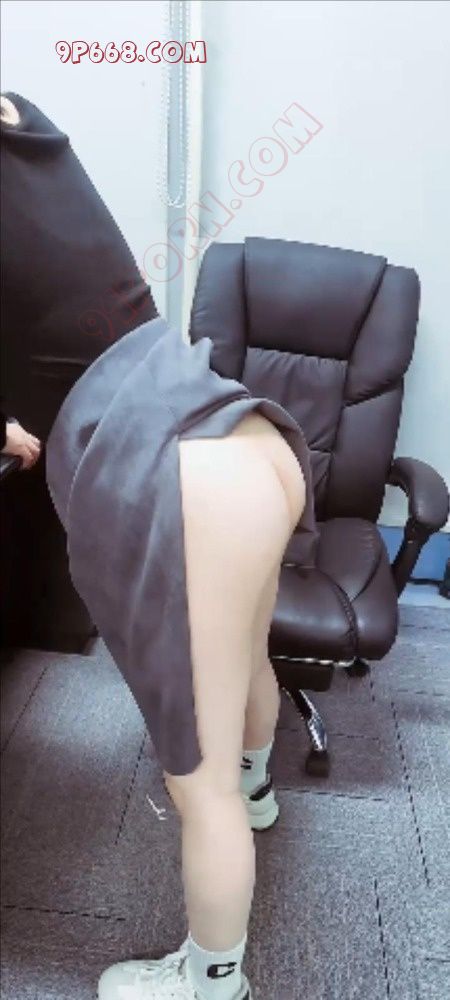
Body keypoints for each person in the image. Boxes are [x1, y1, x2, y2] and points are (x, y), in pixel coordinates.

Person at [1, 92, 318, 1000]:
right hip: (237, 424)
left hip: (177, 475)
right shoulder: (19, 117)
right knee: (245, 658)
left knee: (195, 783)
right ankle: (259, 790)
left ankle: (213, 980)